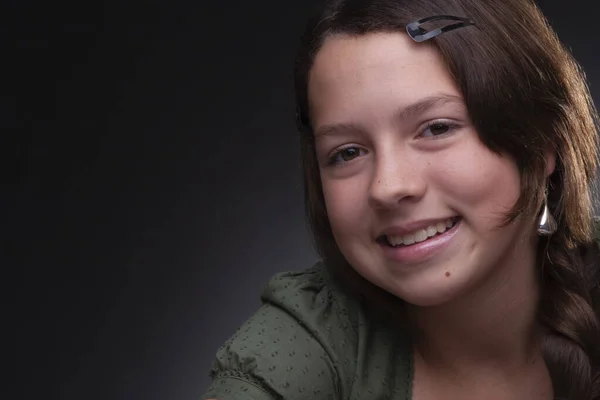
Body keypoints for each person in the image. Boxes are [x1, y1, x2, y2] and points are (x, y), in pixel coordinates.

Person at [202, 0, 600, 398]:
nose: (387, 187)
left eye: (436, 128)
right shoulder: (302, 343)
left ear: (544, 143)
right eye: (348, 152)